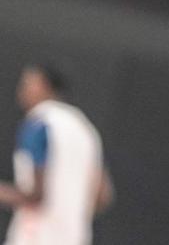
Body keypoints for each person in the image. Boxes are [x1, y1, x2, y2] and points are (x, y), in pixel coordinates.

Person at [0, 65, 112, 245]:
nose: (21, 90)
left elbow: (36, 195)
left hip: (35, 237)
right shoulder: (85, 129)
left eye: (28, 84)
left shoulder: (39, 123)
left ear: (46, 87)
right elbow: (102, 196)